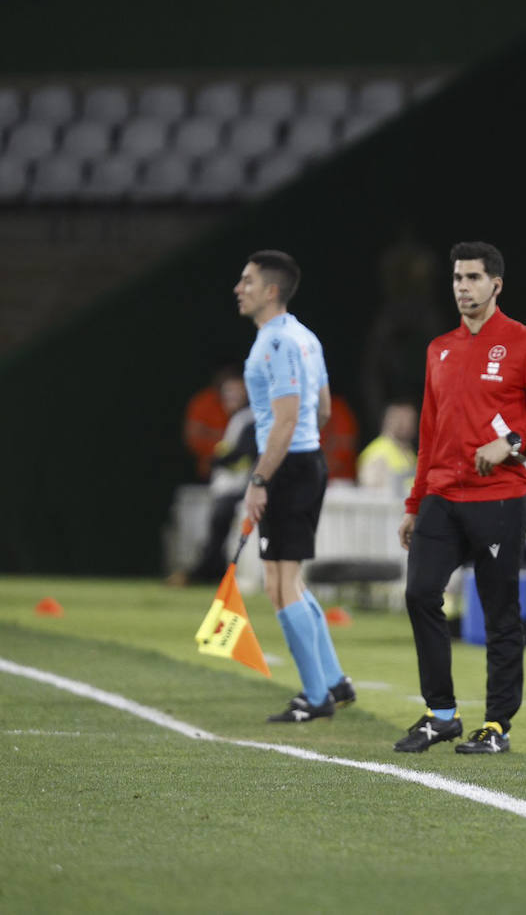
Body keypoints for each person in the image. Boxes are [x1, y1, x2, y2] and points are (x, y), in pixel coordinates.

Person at [393, 241, 526, 755]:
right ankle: (441, 714)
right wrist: (414, 503)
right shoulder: (440, 349)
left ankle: (497, 725)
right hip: (442, 497)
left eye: (473, 278)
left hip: (500, 497)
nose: (463, 287)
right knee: (420, 593)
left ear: (496, 284)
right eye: (456, 278)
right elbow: (429, 435)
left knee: (499, 611)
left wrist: (511, 443)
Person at [236, 250, 355, 723]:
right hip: (307, 461)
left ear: (270, 291)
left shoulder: (277, 343)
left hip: (287, 466)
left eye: (246, 281)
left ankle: (315, 696)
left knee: (279, 584)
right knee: (289, 580)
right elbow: (322, 408)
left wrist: (261, 478)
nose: (238, 288)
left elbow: (285, 420)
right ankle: (333, 681)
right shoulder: (304, 336)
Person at [169, 374, 256, 585]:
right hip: (228, 487)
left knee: (221, 525)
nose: (232, 398)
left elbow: (245, 453)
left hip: (242, 488)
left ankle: (208, 571)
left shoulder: (249, 419)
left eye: (237, 393)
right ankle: (209, 570)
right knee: (215, 528)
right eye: (228, 393)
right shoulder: (238, 419)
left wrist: (219, 459)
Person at [357, 401, 418, 497]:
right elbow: (370, 491)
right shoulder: (378, 452)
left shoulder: (407, 451)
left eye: (411, 420)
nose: (409, 425)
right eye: (404, 420)